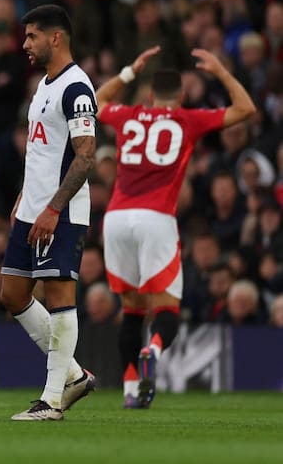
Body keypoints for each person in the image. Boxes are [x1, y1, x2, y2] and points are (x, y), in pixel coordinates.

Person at [95, 46, 256, 408]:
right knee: (166, 309)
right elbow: (246, 108)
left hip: (117, 218)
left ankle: (130, 389)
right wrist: (220, 72)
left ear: (150, 96)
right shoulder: (188, 119)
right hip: (156, 218)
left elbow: (95, 101)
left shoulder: (129, 115)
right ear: (181, 97)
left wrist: (128, 72)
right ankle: (154, 349)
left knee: (132, 308)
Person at [0, 4, 98, 421]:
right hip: (32, 209)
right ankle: (74, 375)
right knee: (13, 294)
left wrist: (53, 208)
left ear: (55, 38)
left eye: (32, 36)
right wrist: (25, 196)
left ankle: (52, 399)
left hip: (62, 211)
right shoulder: (44, 85)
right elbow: (41, 151)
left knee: (60, 297)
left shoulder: (77, 88)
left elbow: (86, 156)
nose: (25, 44)